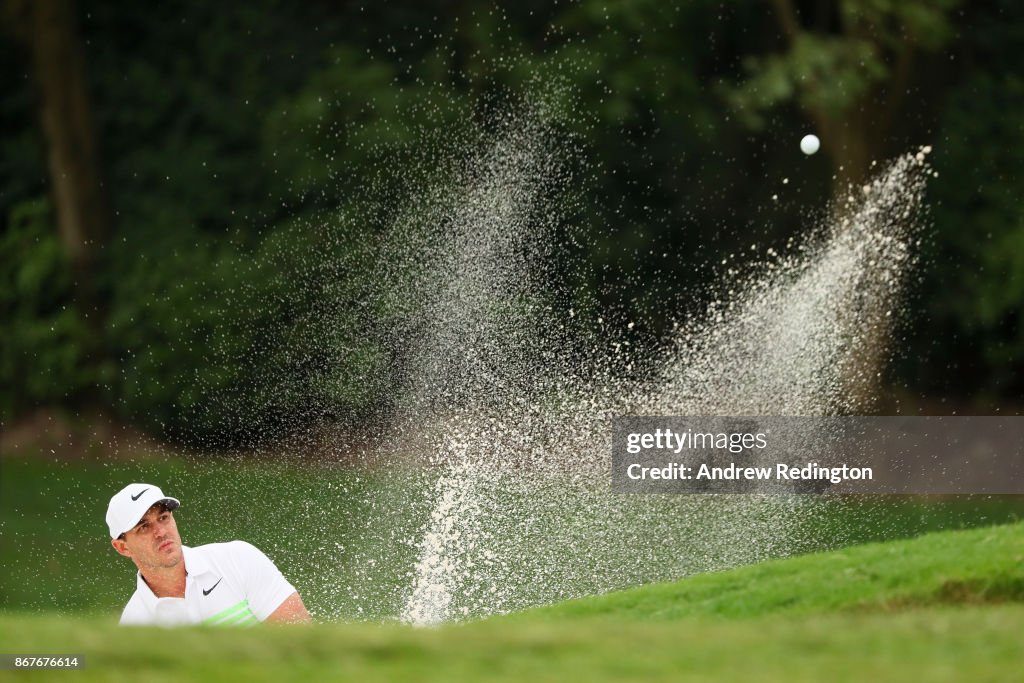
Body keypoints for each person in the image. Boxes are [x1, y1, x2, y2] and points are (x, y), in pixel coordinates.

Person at [106, 482, 311, 626]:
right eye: (143, 527)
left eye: (163, 518)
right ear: (122, 548)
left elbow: (301, 645)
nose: (161, 532)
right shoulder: (135, 624)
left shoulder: (238, 558)